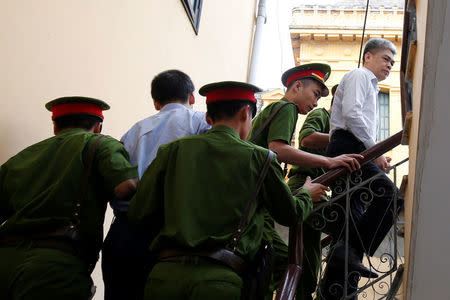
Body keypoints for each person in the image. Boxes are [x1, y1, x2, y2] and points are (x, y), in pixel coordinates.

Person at [127, 81, 329, 300]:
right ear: (245, 113)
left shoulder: (172, 151)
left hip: (163, 278)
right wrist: (307, 193)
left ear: (208, 117)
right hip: (220, 281)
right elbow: (290, 213)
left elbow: (138, 212)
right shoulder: (259, 158)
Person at [0, 96, 138, 300]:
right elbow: (126, 186)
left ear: (55, 126)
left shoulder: (19, 159)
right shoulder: (100, 143)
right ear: (98, 126)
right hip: (54, 268)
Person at [247, 64, 362, 298]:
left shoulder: (278, 109)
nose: (316, 102)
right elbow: (278, 149)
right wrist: (330, 162)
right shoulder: (287, 107)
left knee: (288, 259)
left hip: (257, 193)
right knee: (279, 259)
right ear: (298, 86)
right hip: (260, 194)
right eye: (315, 94)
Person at [102, 69, 210, 300]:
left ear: (155, 102)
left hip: (124, 231)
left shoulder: (133, 131)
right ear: (192, 97)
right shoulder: (201, 123)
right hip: (169, 235)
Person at [319, 38, 403, 299]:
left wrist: (372, 153)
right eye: (385, 59)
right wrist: (373, 152)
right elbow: (353, 114)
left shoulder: (372, 85)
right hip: (349, 147)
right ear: (368, 57)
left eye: (392, 61)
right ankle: (347, 254)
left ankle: (342, 274)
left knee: (351, 223)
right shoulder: (359, 75)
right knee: (388, 196)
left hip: (356, 147)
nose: (389, 65)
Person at [286, 84, 337, 300]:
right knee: (305, 261)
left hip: (318, 189)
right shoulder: (321, 115)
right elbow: (307, 137)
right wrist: (339, 137)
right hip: (304, 183)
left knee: (310, 259)